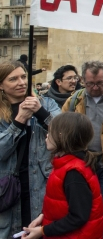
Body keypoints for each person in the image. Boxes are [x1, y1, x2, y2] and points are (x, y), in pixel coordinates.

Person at [62, 60, 103, 239]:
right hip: (81, 166)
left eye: (99, 83)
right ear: (83, 80)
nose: (95, 87)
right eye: (90, 83)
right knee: (81, 213)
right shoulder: (73, 101)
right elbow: (62, 130)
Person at [0, 61, 61, 237]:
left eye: (23, 77)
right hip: (7, 187)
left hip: (40, 183)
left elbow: (65, 135)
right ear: (1, 85)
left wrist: (41, 112)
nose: (21, 82)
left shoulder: (47, 103)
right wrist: (18, 121)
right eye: (13, 79)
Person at [23, 112, 103, 238]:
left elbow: (78, 216)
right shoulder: (66, 165)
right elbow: (61, 203)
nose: (47, 135)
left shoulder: (73, 173)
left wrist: (43, 231)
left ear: (61, 137)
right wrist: (43, 216)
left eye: (50, 132)